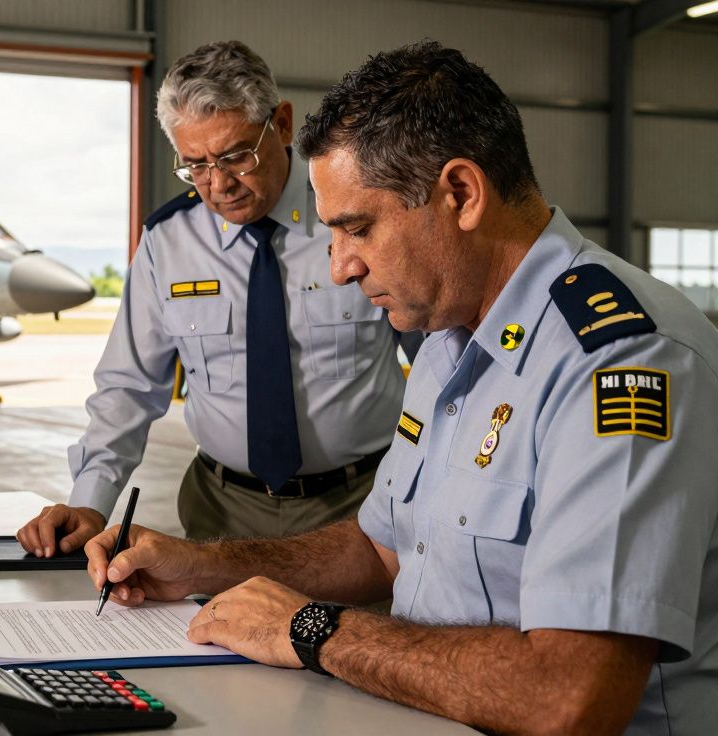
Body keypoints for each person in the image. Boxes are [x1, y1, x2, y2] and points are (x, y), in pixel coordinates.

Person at [83, 41, 718, 734]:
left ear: (461, 194)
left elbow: (569, 697)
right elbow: (383, 547)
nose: (339, 269)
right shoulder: (451, 337)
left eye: (358, 228)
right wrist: (202, 564)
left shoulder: (620, 362)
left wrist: (311, 629)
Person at [17, 41, 410, 557]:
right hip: (220, 512)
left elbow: (445, 363)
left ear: (284, 125)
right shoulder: (167, 242)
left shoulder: (355, 217)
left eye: (236, 155)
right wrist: (91, 503)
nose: (219, 184)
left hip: (360, 510)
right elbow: (129, 387)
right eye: (195, 165)